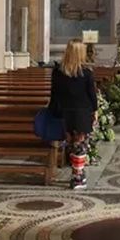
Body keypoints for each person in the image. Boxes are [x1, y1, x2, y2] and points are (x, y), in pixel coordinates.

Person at [49, 38, 98, 190]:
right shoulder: (86, 73)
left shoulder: (58, 72)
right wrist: (95, 111)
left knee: (71, 144)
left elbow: (54, 94)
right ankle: (77, 176)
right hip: (81, 113)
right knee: (80, 145)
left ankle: (77, 174)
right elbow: (92, 95)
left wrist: (53, 111)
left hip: (64, 112)